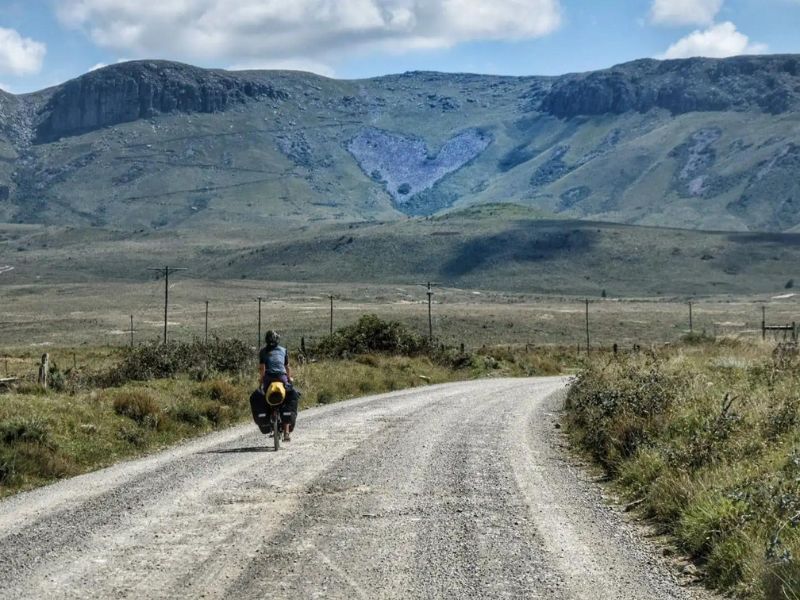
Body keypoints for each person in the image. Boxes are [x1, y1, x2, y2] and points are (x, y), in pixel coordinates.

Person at [258, 330, 298, 441]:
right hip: (281, 378)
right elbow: (287, 367)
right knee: (286, 400)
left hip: (269, 379)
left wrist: (261, 380)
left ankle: (270, 421)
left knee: (266, 397)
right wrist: (289, 378)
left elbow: (262, 368)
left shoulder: (263, 351)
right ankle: (286, 432)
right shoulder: (284, 350)